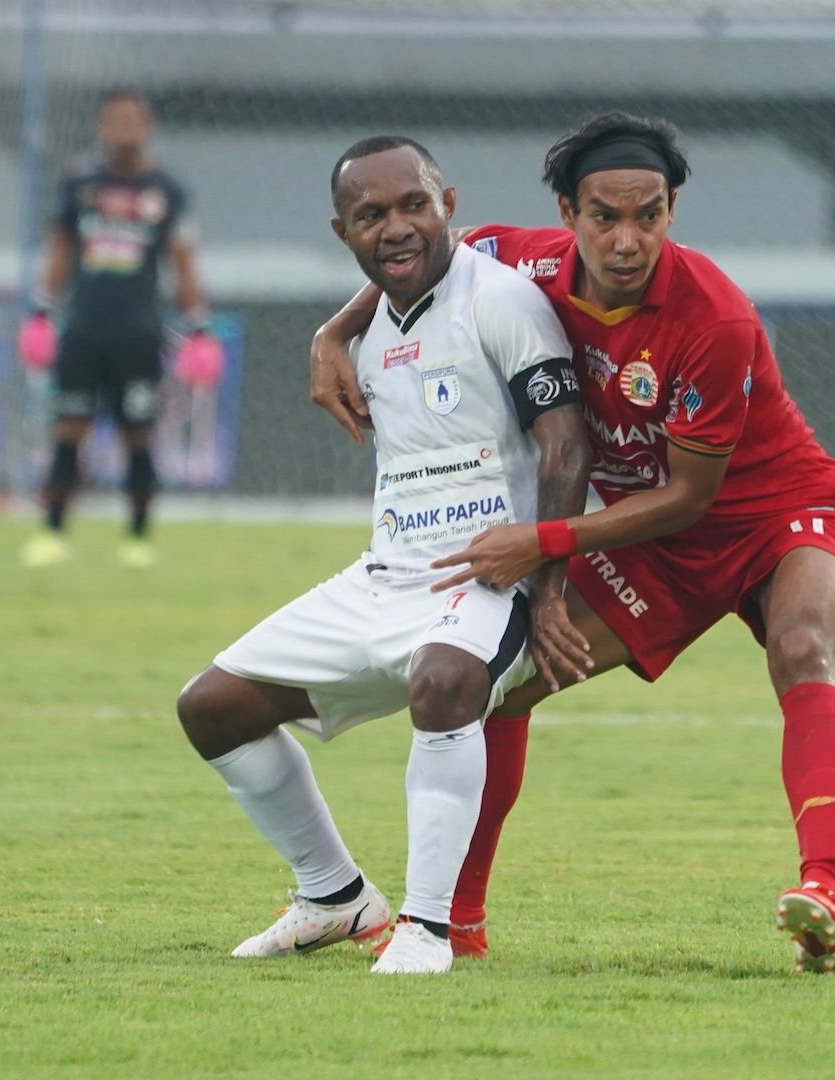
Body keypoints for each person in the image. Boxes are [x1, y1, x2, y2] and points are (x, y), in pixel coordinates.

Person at [308, 112, 835, 974]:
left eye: (649, 215)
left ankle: (821, 892)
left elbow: (693, 494)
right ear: (568, 213)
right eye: (605, 215)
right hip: (650, 535)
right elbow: (421, 260)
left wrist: (542, 544)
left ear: (672, 212)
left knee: (801, 648)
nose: (627, 238)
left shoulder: (714, 317)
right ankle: (458, 921)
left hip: (775, 513)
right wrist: (335, 332)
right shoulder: (514, 259)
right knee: (504, 689)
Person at [176, 136, 589, 974]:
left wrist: (547, 588)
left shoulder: (500, 301)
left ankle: (426, 927)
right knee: (212, 707)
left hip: (485, 580)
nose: (396, 227)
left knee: (444, 681)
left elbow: (566, 447)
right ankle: (332, 895)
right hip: (384, 575)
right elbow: (383, 302)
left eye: (413, 206)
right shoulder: (364, 331)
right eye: (372, 215)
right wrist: (333, 330)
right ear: (344, 233)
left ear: (449, 206)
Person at [19, 89, 213, 569]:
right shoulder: (79, 183)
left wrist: (199, 327)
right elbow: (60, 249)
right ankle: (53, 532)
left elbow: (182, 261)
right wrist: (41, 311)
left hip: (138, 335)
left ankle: (138, 537)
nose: (124, 130)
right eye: (115, 121)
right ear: (102, 127)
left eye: (133, 120)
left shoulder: (168, 191)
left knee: (139, 435)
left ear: (148, 127)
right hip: (83, 332)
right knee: (68, 431)